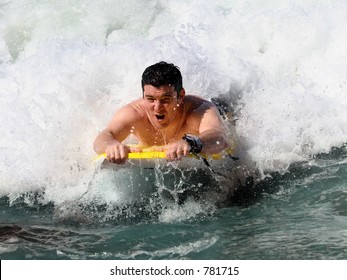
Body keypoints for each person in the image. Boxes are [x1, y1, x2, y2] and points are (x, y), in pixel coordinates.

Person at [93, 61, 230, 164]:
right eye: (151, 99)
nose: (157, 107)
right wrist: (111, 145)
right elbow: (104, 137)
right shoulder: (133, 113)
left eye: (165, 99)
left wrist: (192, 143)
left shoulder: (199, 110)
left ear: (181, 95)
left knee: (226, 109)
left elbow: (219, 138)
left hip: (220, 109)